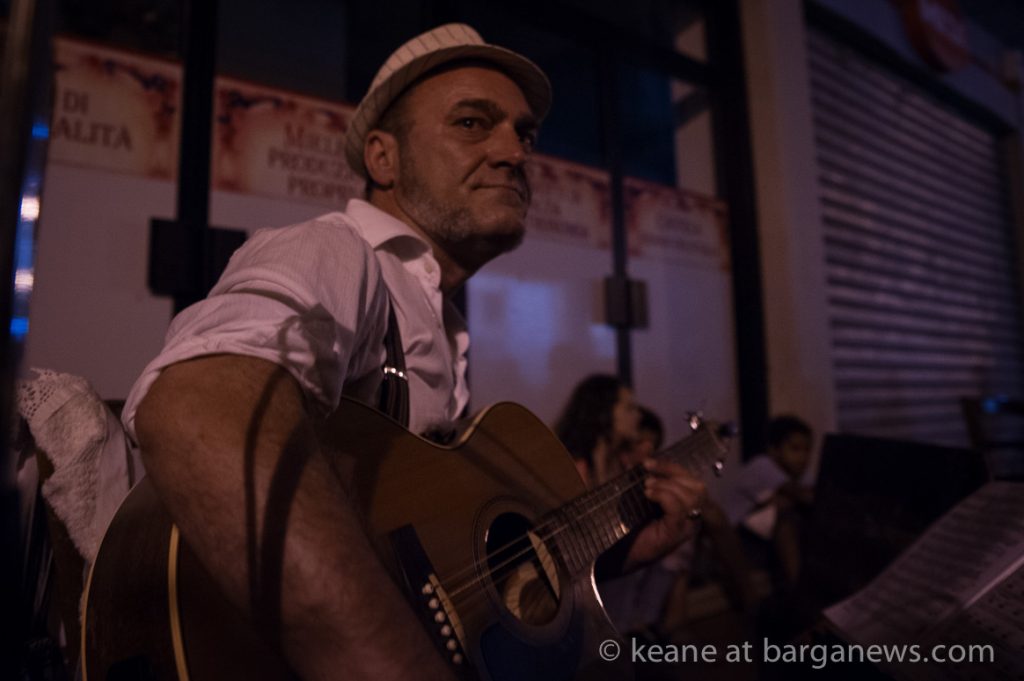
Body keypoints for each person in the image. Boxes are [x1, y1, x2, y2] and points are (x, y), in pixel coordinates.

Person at [121, 24, 705, 680]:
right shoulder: (336, 252)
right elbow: (196, 410)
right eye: (472, 123)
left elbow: (450, 580)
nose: (513, 151)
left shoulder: (439, 321)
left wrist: (612, 552)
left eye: (524, 134)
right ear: (384, 159)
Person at [721, 414, 815, 588]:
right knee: (786, 516)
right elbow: (803, 496)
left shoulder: (799, 476)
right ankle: (799, 591)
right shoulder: (762, 465)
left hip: (763, 543)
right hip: (736, 542)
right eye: (795, 449)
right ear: (774, 450)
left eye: (807, 450)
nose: (803, 457)